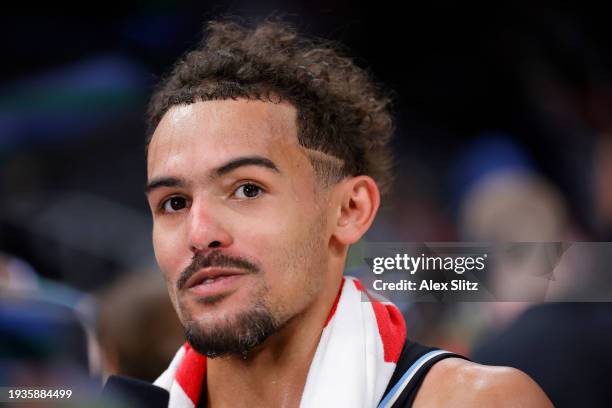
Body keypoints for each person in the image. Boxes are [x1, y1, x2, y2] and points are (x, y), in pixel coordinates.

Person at [142, 17, 552, 407]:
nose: (200, 233)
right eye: (174, 203)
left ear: (350, 210)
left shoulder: (477, 402)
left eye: (247, 190)